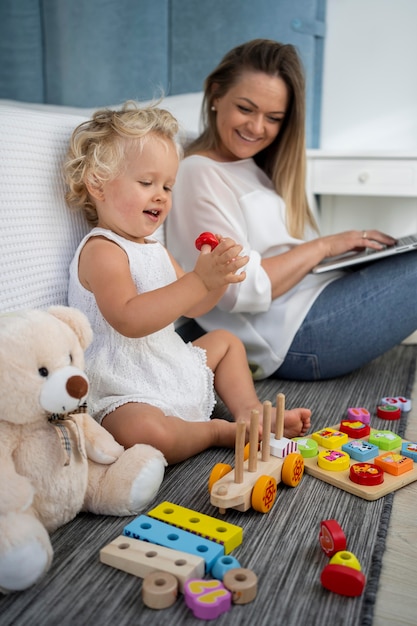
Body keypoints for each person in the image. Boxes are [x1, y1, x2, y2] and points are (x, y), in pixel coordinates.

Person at [64, 101, 311, 464]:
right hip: (124, 384)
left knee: (226, 342)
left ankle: (250, 414)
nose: (161, 195)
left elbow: (194, 305)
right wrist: (198, 280)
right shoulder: (103, 250)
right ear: (98, 185)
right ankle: (218, 431)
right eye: (146, 182)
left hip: (168, 362)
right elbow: (129, 319)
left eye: (167, 185)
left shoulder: (154, 249)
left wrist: (216, 279)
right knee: (145, 433)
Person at [166, 39, 417, 381]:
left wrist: (339, 256)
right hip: (289, 336)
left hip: (317, 302)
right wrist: (324, 247)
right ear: (215, 94)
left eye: (273, 118)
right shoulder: (199, 172)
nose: (257, 128)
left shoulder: (256, 168)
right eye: (245, 108)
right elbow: (235, 288)